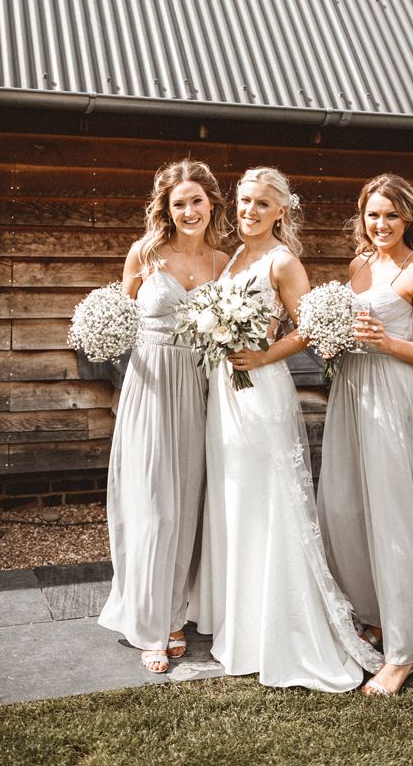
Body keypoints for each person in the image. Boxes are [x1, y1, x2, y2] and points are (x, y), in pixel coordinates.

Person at [190, 167, 382, 691]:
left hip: (261, 391)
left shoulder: (282, 261)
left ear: (281, 211)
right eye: (244, 201)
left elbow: (309, 328)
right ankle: (243, 620)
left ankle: (285, 628)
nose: (248, 210)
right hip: (225, 394)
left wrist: (264, 354)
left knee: (267, 500)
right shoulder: (234, 257)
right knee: (236, 501)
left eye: (260, 204)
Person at [317, 173, 413, 697]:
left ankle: (404, 649)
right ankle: (371, 613)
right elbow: (350, 328)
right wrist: (332, 340)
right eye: (373, 214)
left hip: (391, 392)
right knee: (345, 504)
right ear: (361, 217)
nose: (381, 224)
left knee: (391, 510)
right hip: (349, 388)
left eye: (392, 215)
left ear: (409, 219)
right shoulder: (359, 265)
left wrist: (388, 343)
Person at [98, 158, 230, 673]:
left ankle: (176, 613)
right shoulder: (145, 254)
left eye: (198, 201)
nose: (189, 210)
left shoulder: (224, 264)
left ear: (212, 204)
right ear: (166, 210)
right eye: (180, 203)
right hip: (151, 389)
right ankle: (150, 623)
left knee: (189, 506)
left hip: (199, 388)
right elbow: (118, 317)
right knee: (153, 506)